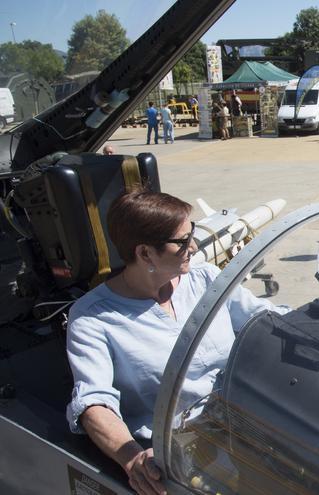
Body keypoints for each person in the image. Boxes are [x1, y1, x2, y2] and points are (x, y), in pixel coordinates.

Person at [65, 189, 283, 495]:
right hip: (180, 454)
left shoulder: (205, 278)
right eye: (182, 241)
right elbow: (93, 403)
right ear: (145, 253)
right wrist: (133, 459)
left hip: (244, 424)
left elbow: (263, 318)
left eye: (191, 233)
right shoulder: (92, 318)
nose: (194, 246)